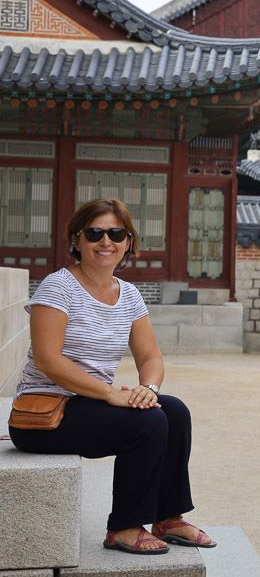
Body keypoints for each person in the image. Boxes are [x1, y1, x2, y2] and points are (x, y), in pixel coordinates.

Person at [8, 198, 216, 555]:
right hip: (45, 413)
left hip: (90, 404)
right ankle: (123, 527)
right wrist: (109, 393)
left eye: (116, 234)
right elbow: (47, 360)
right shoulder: (58, 287)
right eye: (95, 233)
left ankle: (168, 518)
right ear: (77, 240)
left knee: (173, 411)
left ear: (128, 242)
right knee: (147, 424)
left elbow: (150, 356)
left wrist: (147, 389)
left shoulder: (130, 295)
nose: (106, 242)